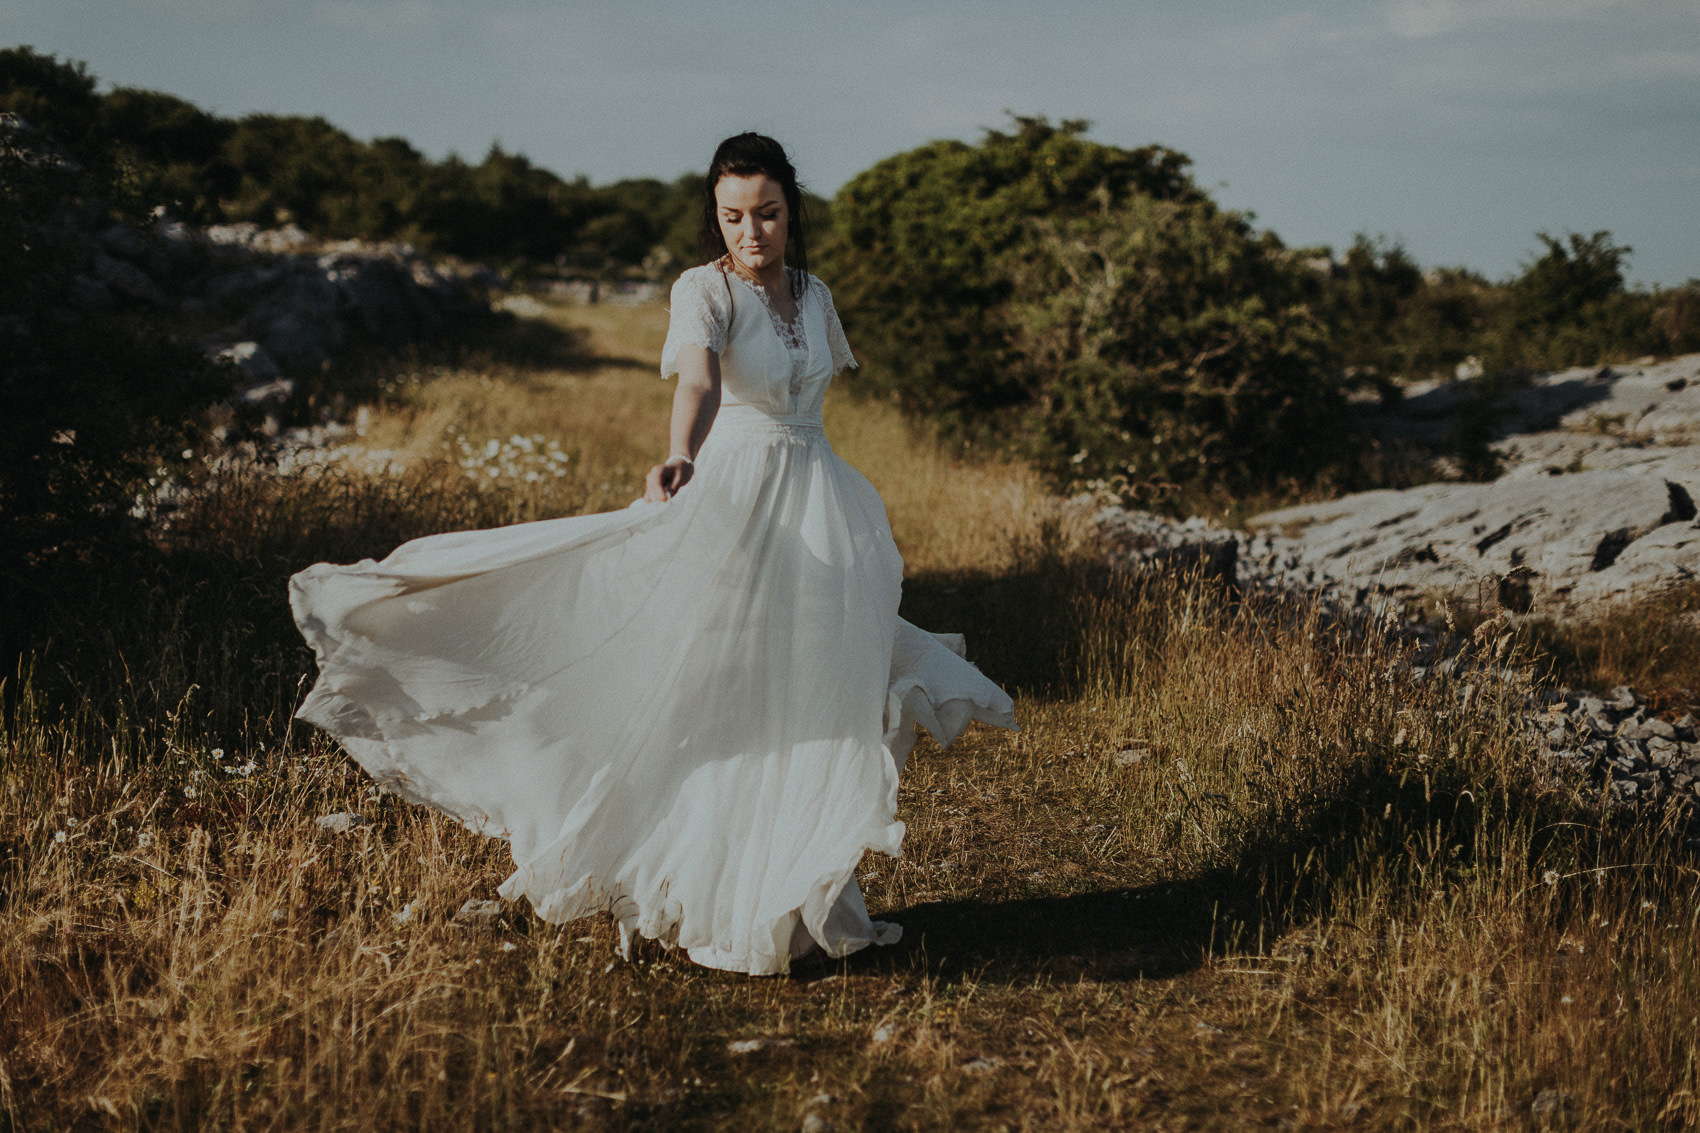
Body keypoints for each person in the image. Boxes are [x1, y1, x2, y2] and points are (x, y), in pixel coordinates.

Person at [289, 133, 1016, 976]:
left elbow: (810, 395)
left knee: (818, 684)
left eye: (768, 214)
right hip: (737, 494)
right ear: (717, 215)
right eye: (734, 216)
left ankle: (799, 898)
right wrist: (681, 453)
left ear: (792, 210)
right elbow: (702, 383)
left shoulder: (815, 295)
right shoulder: (702, 290)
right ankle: (706, 886)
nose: (752, 232)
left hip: (819, 501)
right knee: (724, 688)